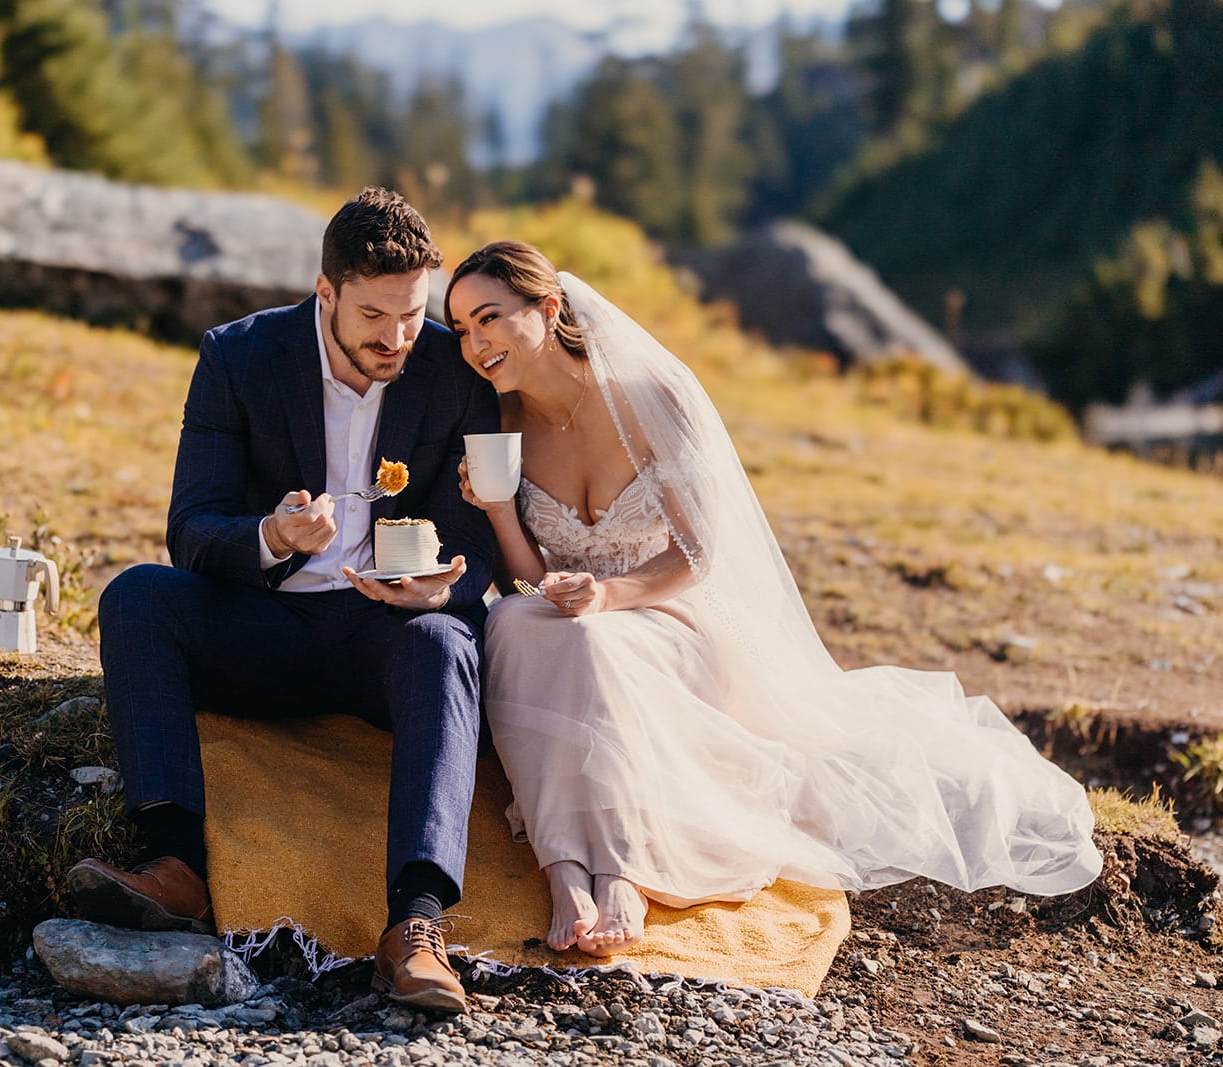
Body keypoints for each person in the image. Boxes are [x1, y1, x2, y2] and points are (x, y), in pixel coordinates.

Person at [445, 241, 1103, 957]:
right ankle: (566, 868)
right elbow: (529, 582)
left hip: (670, 618)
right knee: (515, 621)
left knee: (587, 640)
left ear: (548, 309)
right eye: (463, 327)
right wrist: (500, 511)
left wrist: (608, 594)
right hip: (577, 621)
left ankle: (623, 870)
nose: (476, 343)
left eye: (490, 318)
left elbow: (698, 553)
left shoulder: (649, 396)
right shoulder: (500, 424)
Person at [71, 189, 499, 1013]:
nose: (396, 337)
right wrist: (271, 534)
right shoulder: (238, 356)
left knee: (447, 640)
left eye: (411, 314)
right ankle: (176, 866)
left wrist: (443, 583)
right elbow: (192, 529)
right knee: (137, 596)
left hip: (385, 636)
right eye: (373, 315)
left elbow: (475, 539)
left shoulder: (452, 370)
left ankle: (414, 926)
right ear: (325, 291)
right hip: (262, 628)